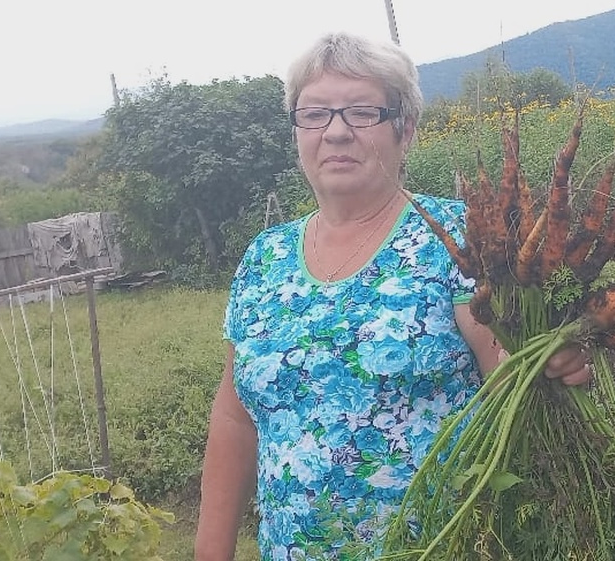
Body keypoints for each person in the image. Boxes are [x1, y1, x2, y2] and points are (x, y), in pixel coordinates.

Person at [194, 32, 591, 561]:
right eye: (314, 114)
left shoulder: (461, 238)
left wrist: (554, 361)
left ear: (404, 129)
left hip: (442, 547)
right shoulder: (264, 258)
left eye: (362, 112)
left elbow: (510, 370)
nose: (335, 132)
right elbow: (234, 420)